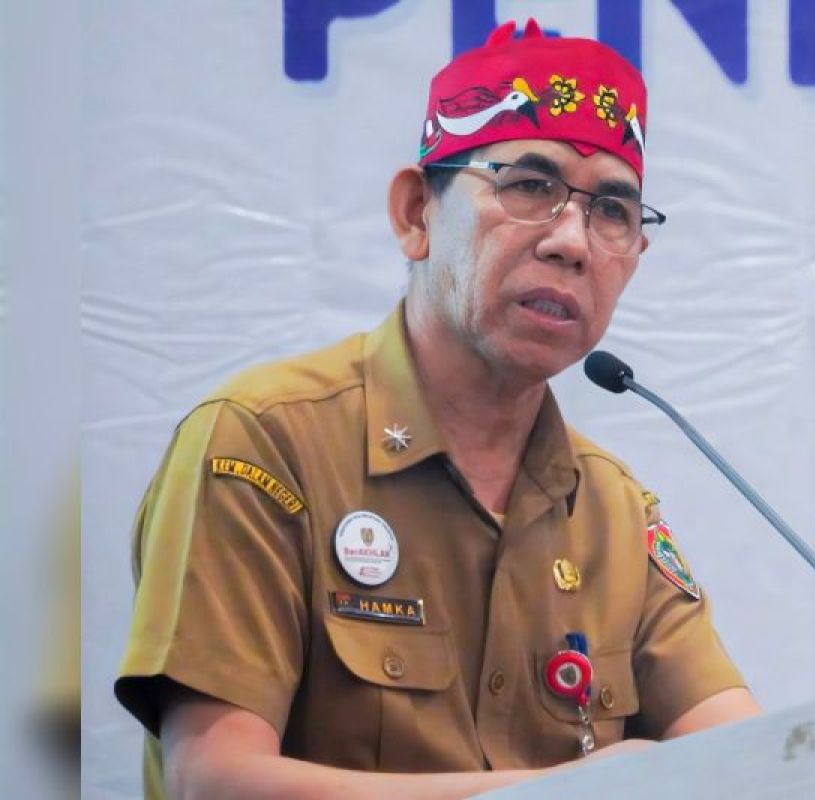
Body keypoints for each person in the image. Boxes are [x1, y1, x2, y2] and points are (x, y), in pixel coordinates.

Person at [114, 18, 760, 799]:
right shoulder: (264, 442)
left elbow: (753, 764)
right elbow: (214, 781)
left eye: (613, 211)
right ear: (417, 214)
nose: (573, 242)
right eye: (530, 186)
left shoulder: (612, 510)